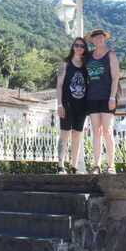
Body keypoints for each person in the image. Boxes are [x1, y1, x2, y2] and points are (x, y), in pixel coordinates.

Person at [85, 29, 120, 174]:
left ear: (104, 39)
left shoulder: (110, 55)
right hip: (92, 97)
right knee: (96, 131)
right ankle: (97, 165)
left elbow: (116, 77)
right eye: (96, 37)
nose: (99, 39)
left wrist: (112, 97)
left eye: (101, 37)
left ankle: (111, 165)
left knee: (107, 130)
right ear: (92, 40)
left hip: (107, 97)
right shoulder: (89, 57)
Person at [56, 37, 89, 174]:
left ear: (84, 49)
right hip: (67, 104)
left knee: (77, 135)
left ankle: (74, 166)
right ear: (73, 47)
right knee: (64, 134)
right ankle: (60, 165)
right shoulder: (65, 64)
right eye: (76, 45)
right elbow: (59, 85)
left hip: (81, 105)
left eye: (82, 46)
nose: (79, 48)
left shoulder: (87, 65)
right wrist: (59, 104)